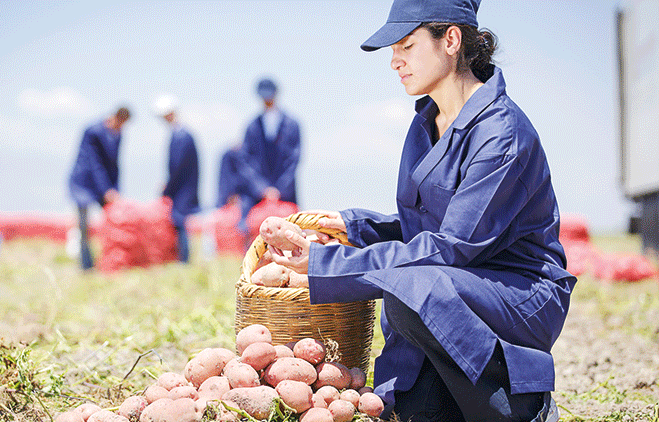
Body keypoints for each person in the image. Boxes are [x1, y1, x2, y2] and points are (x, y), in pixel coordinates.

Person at [267, 1, 575, 421]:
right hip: (457, 286)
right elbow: (422, 229)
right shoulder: (425, 122)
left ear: (450, 40)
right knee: (415, 407)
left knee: (411, 288)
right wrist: (358, 228)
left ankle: (521, 405)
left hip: (518, 293)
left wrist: (327, 264)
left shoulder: (502, 133)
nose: (395, 61)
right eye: (393, 50)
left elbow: (451, 247)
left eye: (407, 46)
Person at [68, 106, 131, 270]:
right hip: (84, 183)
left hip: (104, 185)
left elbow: (114, 165)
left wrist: (115, 189)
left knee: (113, 219)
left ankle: (111, 260)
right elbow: (95, 164)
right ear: (116, 117)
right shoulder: (93, 131)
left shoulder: (118, 134)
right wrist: (106, 190)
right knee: (83, 225)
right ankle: (86, 264)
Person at [236, 78, 301, 231]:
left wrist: (279, 189)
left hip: (285, 191)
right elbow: (245, 160)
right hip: (257, 193)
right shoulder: (252, 126)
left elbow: (294, 159)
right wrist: (262, 188)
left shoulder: (291, 124)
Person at [153, 94, 200, 264]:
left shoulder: (181, 136)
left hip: (182, 189)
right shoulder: (181, 134)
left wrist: (167, 188)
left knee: (180, 223)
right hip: (184, 187)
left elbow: (176, 166)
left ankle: (184, 260)